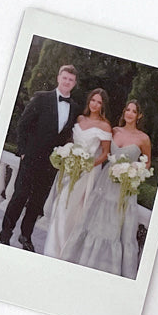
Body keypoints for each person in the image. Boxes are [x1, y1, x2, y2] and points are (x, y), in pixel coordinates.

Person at [61, 99, 152, 277]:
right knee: (94, 221)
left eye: (134, 111)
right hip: (105, 183)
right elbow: (103, 151)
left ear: (139, 115)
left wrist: (135, 172)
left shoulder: (143, 138)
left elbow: (147, 162)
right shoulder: (115, 131)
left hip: (124, 188)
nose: (130, 114)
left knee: (114, 227)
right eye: (128, 110)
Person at [0, 64, 80, 252]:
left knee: (37, 203)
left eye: (71, 79)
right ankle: (6, 232)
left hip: (51, 164)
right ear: (59, 78)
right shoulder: (42, 98)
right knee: (19, 197)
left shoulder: (75, 108)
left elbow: (69, 135)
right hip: (31, 158)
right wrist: (24, 151)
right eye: (65, 78)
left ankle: (25, 236)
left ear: (74, 83)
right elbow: (23, 125)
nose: (67, 81)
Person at [43, 87, 112, 259]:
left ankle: (66, 250)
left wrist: (87, 165)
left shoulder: (105, 126)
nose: (95, 104)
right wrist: (67, 157)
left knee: (72, 209)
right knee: (60, 204)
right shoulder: (80, 118)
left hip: (86, 173)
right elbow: (72, 142)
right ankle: (52, 250)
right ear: (89, 101)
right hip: (69, 169)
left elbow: (105, 154)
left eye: (99, 102)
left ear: (103, 106)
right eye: (93, 100)